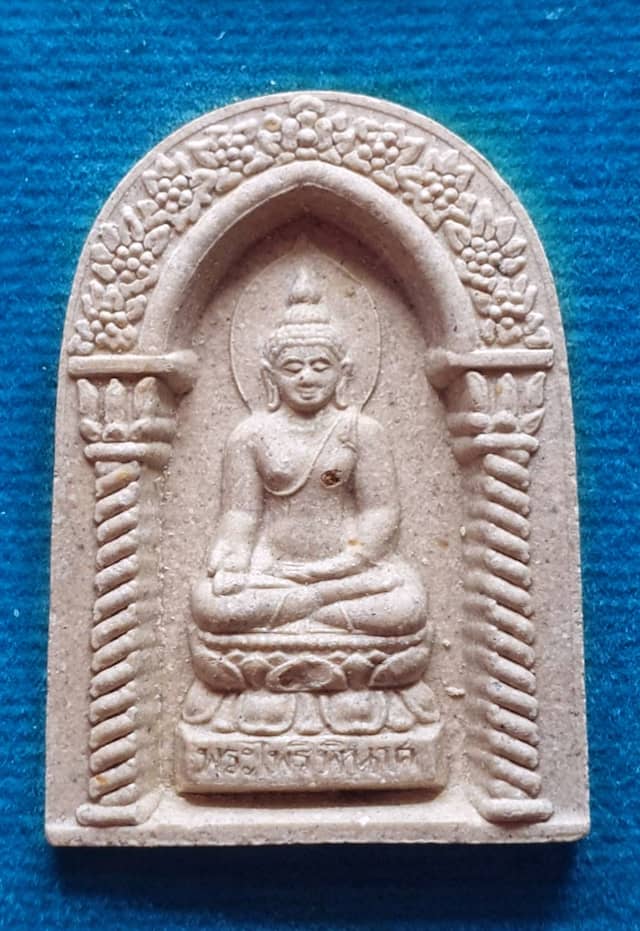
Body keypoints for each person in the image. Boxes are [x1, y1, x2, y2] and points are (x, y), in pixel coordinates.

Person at [191, 271, 427, 638]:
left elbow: (380, 511)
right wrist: (232, 562)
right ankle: (321, 611)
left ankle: (305, 610)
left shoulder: (362, 431)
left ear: (342, 373)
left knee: (407, 605)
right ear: (270, 376)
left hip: (349, 572)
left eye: (320, 366)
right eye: (292, 368)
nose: (306, 377)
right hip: (272, 571)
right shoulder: (250, 435)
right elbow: (240, 515)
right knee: (211, 605)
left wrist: (343, 565)